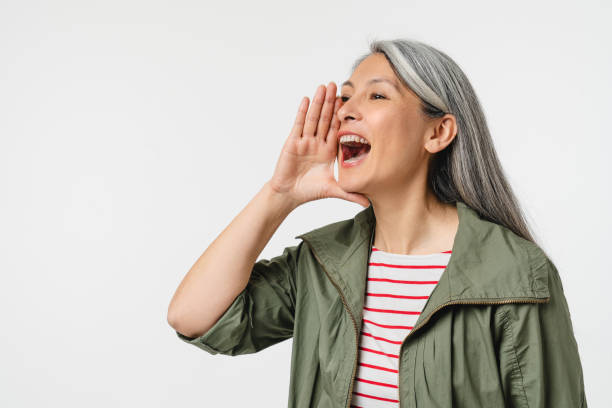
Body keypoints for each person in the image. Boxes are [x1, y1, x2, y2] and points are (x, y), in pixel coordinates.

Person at [167, 39, 587, 407]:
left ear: (438, 133)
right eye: (345, 99)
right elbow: (193, 316)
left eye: (377, 97)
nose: (347, 112)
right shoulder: (321, 263)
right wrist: (281, 193)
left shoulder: (515, 274)